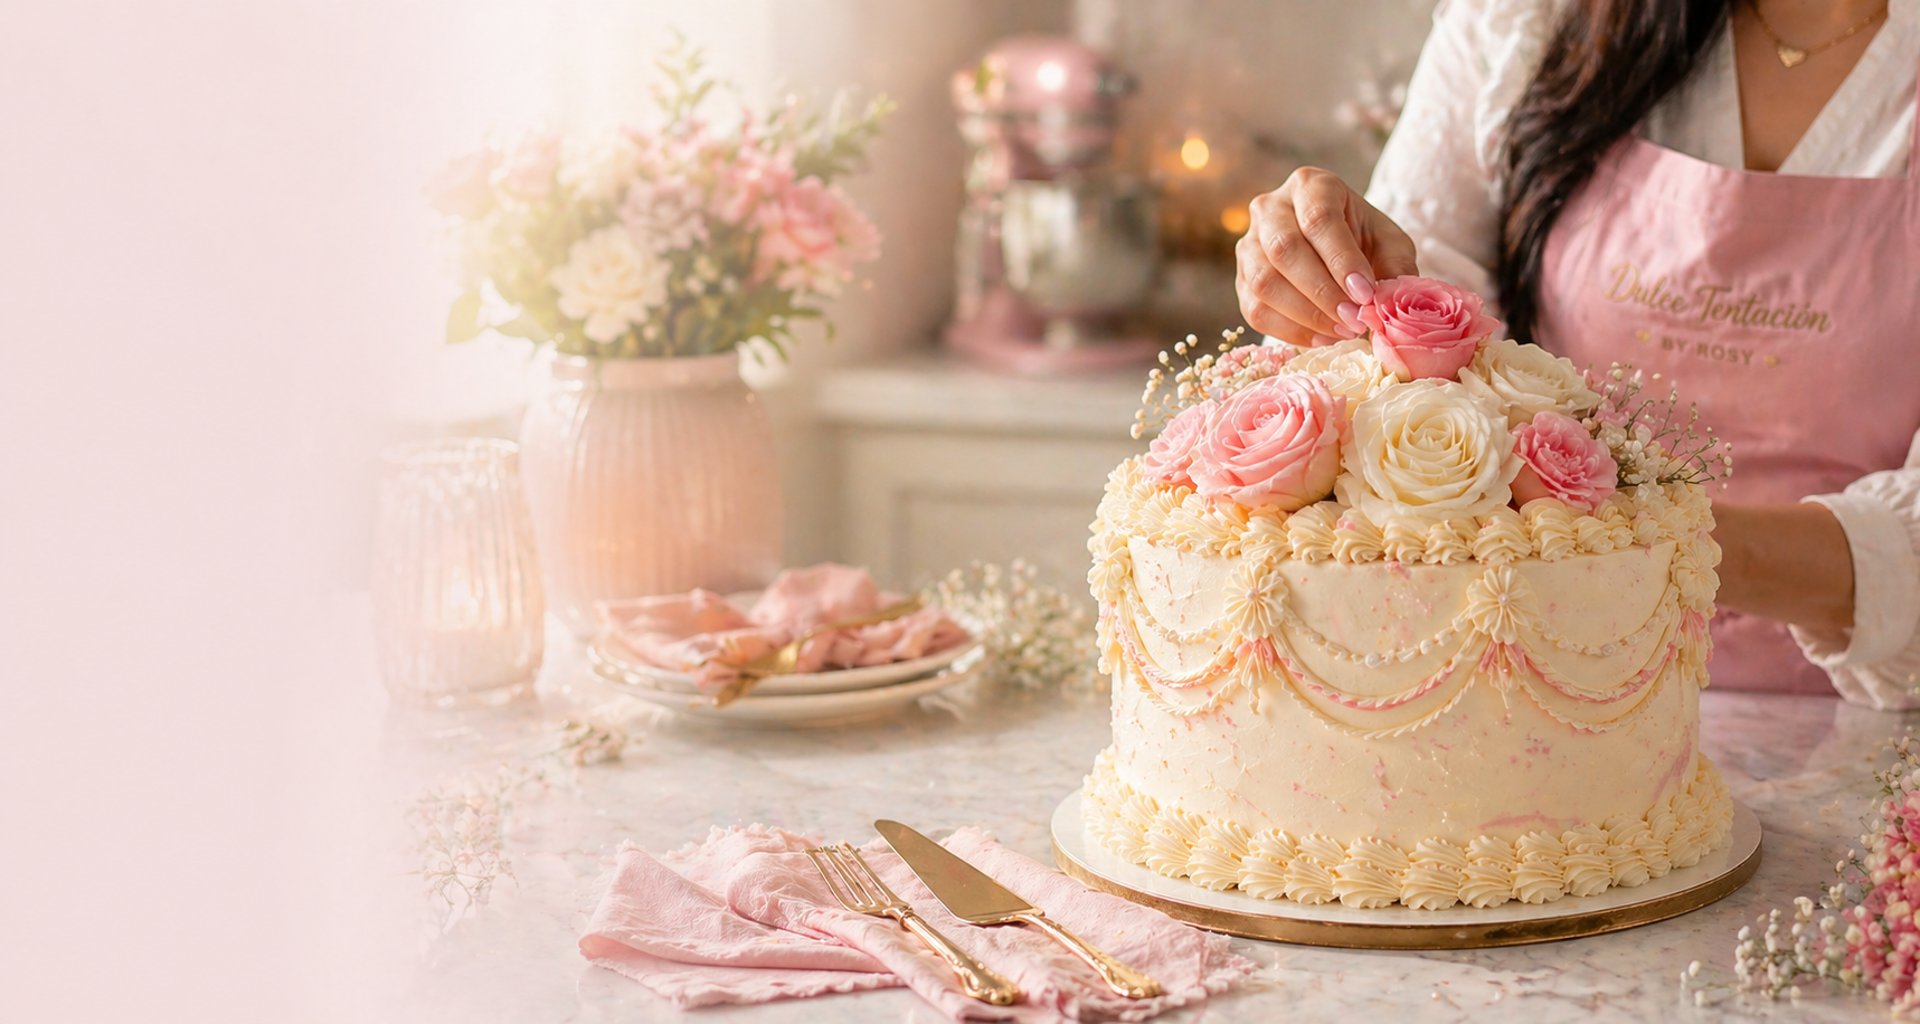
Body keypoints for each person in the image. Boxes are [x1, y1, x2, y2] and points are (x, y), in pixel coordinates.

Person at [1236, 0, 1919, 706]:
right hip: (1517, 705)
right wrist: (1322, 278)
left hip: (1858, 740)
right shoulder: (1533, 20)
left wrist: (1628, 537)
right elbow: (1406, 306)